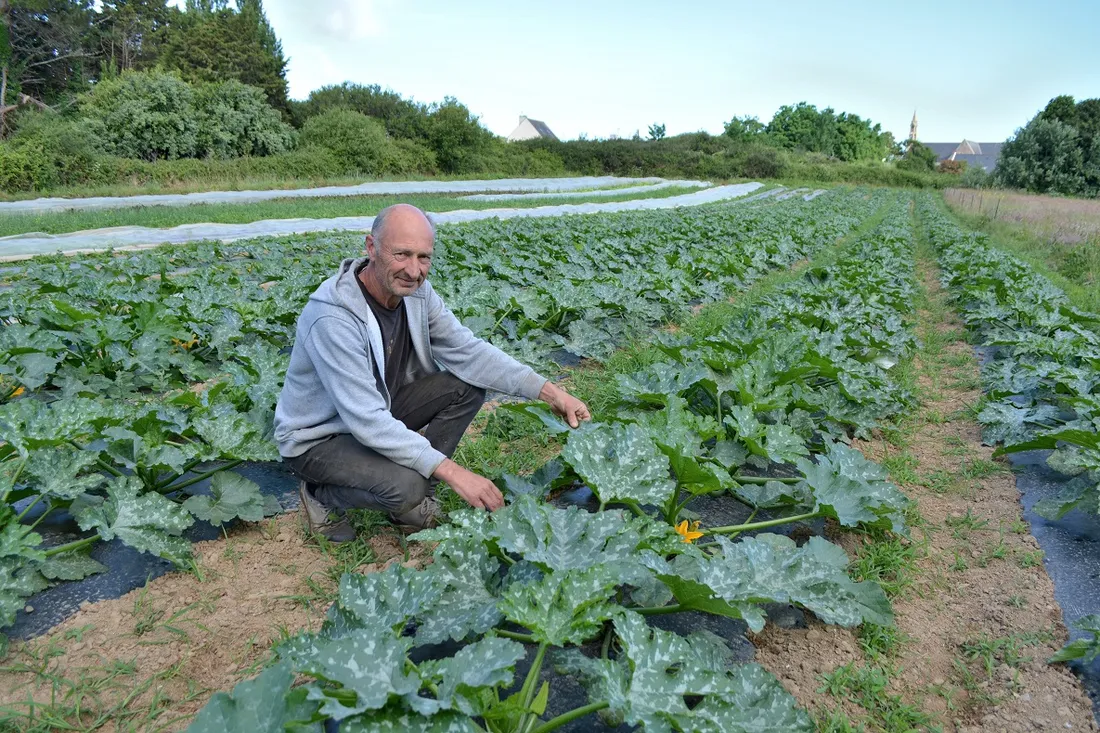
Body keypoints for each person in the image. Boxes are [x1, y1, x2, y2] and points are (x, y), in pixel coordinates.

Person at [273, 204, 591, 542]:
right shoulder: (333, 318)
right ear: (371, 247)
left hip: (379, 409)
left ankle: (412, 501)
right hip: (318, 439)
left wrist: (550, 392)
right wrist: (455, 473)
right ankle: (322, 495)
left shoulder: (416, 295)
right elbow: (366, 419)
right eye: (402, 254)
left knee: (466, 386)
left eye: (423, 257)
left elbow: (469, 351)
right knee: (409, 484)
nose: (413, 270)